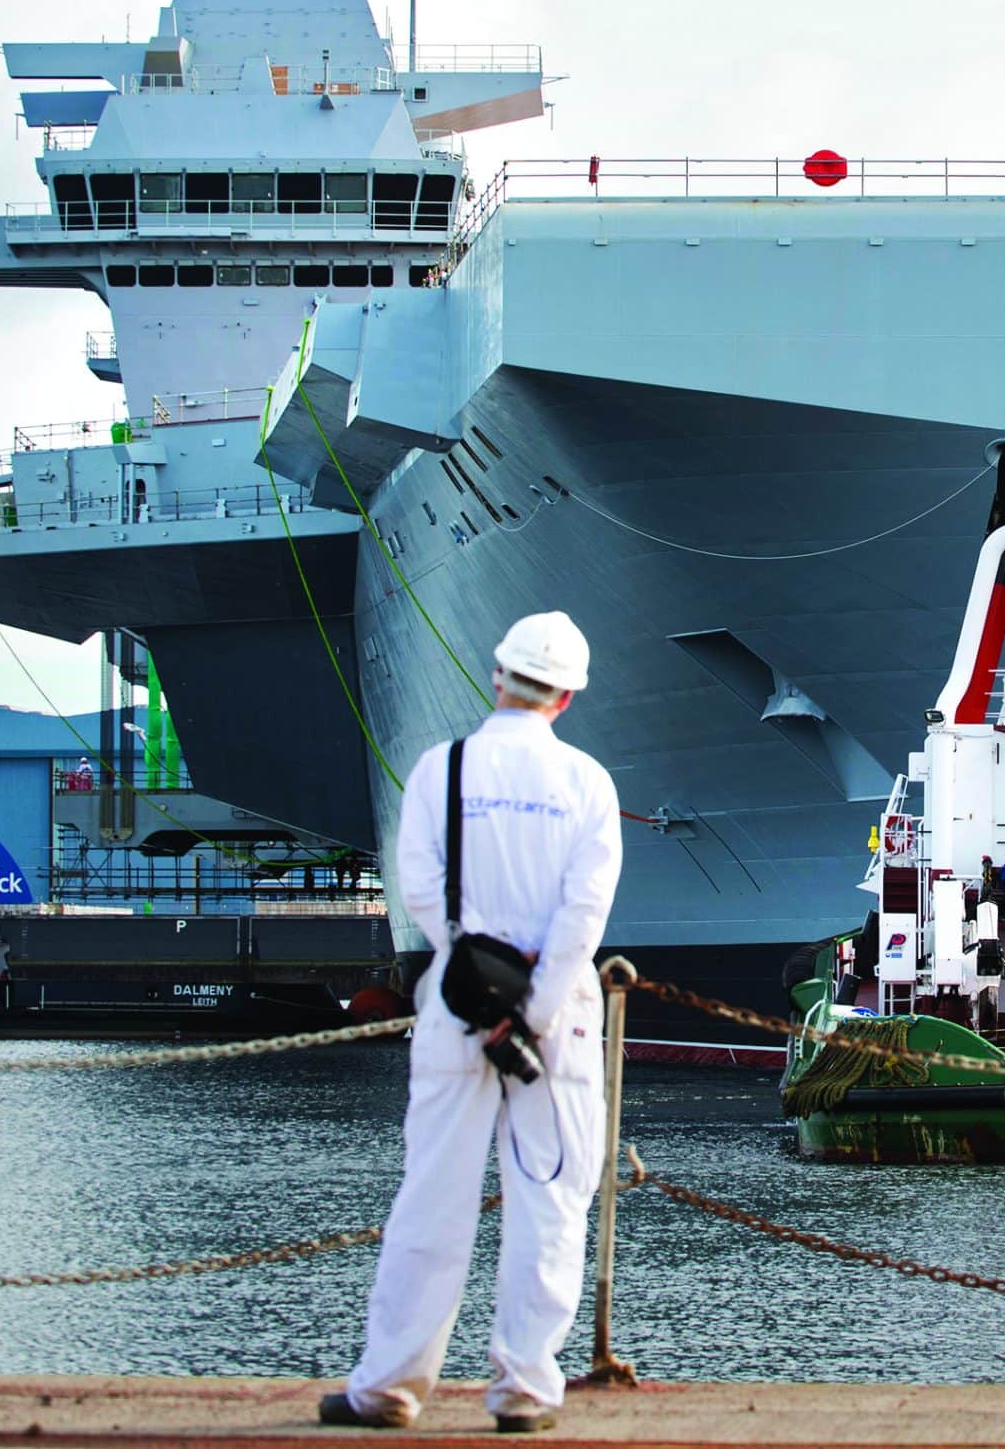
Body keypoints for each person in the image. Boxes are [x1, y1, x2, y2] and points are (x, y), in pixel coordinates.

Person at [322, 612, 622, 1437]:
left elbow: (419, 885)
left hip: (457, 1011)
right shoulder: (589, 784)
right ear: (566, 695)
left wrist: (473, 978)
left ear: (497, 678)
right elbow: (582, 916)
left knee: (432, 1201)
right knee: (551, 1205)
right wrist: (529, 1009)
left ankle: (387, 1389)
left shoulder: (438, 769)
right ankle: (524, 1390)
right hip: (553, 1029)